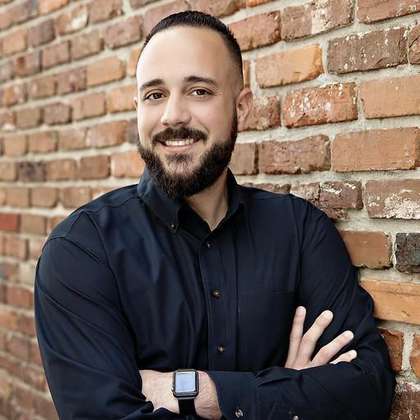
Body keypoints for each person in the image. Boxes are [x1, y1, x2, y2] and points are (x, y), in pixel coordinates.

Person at [34, 10, 395, 420]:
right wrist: (284, 393)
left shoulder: (300, 232)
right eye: (154, 95)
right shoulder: (82, 251)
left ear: (242, 107)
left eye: (199, 91)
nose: (173, 115)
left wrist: (204, 392)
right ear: (137, 108)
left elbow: (368, 390)